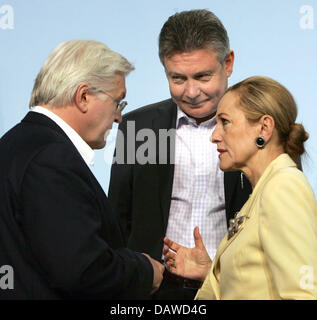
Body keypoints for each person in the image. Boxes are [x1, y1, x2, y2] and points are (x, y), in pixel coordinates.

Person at [0, 40, 165, 299]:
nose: (119, 117)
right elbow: (83, 270)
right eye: (118, 103)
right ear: (84, 96)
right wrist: (145, 271)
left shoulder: (16, 145)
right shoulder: (51, 160)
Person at [108, 9, 252, 299]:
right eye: (178, 78)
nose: (192, 91)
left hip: (229, 291)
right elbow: (116, 221)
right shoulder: (137, 128)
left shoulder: (259, 126)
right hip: (151, 294)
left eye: (203, 76)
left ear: (228, 63)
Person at [163, 76, 317, 299]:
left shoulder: (284, 186)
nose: (214, 136)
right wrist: (211, 272)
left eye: (224, 122)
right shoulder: (260, 195)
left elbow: (304, 294)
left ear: (264, 128)